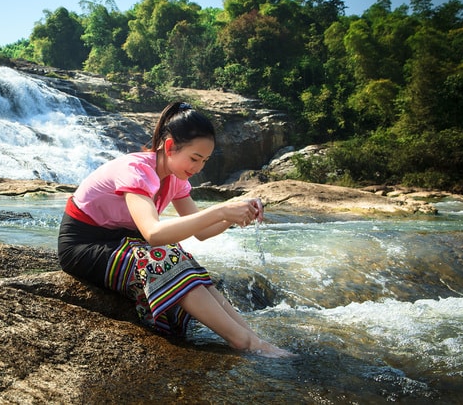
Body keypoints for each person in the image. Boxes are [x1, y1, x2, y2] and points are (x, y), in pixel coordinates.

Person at [57, 101, 294, 358]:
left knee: (183, 258)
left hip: (120, 239)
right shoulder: (135, 171)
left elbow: (201, 230)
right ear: (169, 147)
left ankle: (250, 336)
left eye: (204, 161)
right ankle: (243, 341)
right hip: (83, 245)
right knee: (164, 256)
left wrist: (235, 215)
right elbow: (153, 234)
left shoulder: (175, 179)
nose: (198, 168)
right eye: (194, 158)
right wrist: (222, 211)